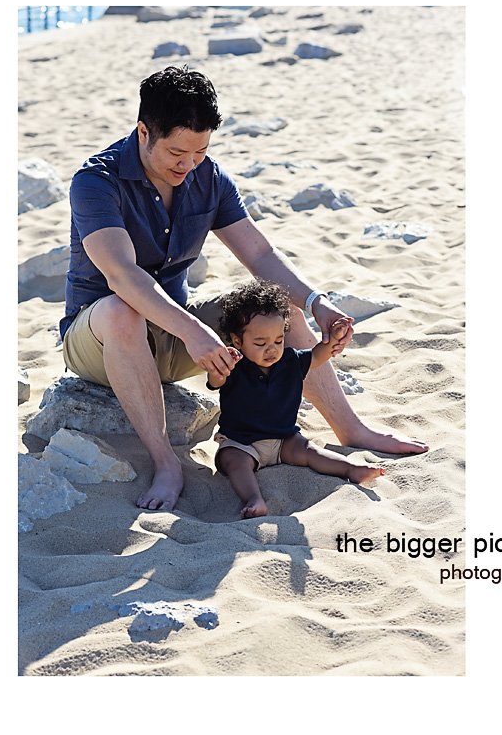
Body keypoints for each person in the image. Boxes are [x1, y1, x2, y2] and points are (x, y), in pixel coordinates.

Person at [62, 66, 427, 512]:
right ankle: (167, 463)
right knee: (124, 309)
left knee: (276, 311)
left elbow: (260, 257)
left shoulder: (207, 177)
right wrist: (196, 332)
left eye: (200, 151)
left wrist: (317, 303)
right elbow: (122, 274)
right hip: (100, 342)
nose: (188, 164)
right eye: (177, 151)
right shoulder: (95, 181)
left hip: (174, 339)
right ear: (143, 131)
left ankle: (350, 428)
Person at [210, 280, 386, 518]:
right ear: (238, 341)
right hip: (242, 443)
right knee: (233, 461)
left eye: (278, 341)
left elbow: (317, 356)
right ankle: (254, 499)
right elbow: (216, 381)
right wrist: (221, 367)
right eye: (260, 343)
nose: (271, 349)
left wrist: (334, 339)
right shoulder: (235, 366)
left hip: (284, 439)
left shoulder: (290, 361)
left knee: (310, 452)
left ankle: (351, 469)